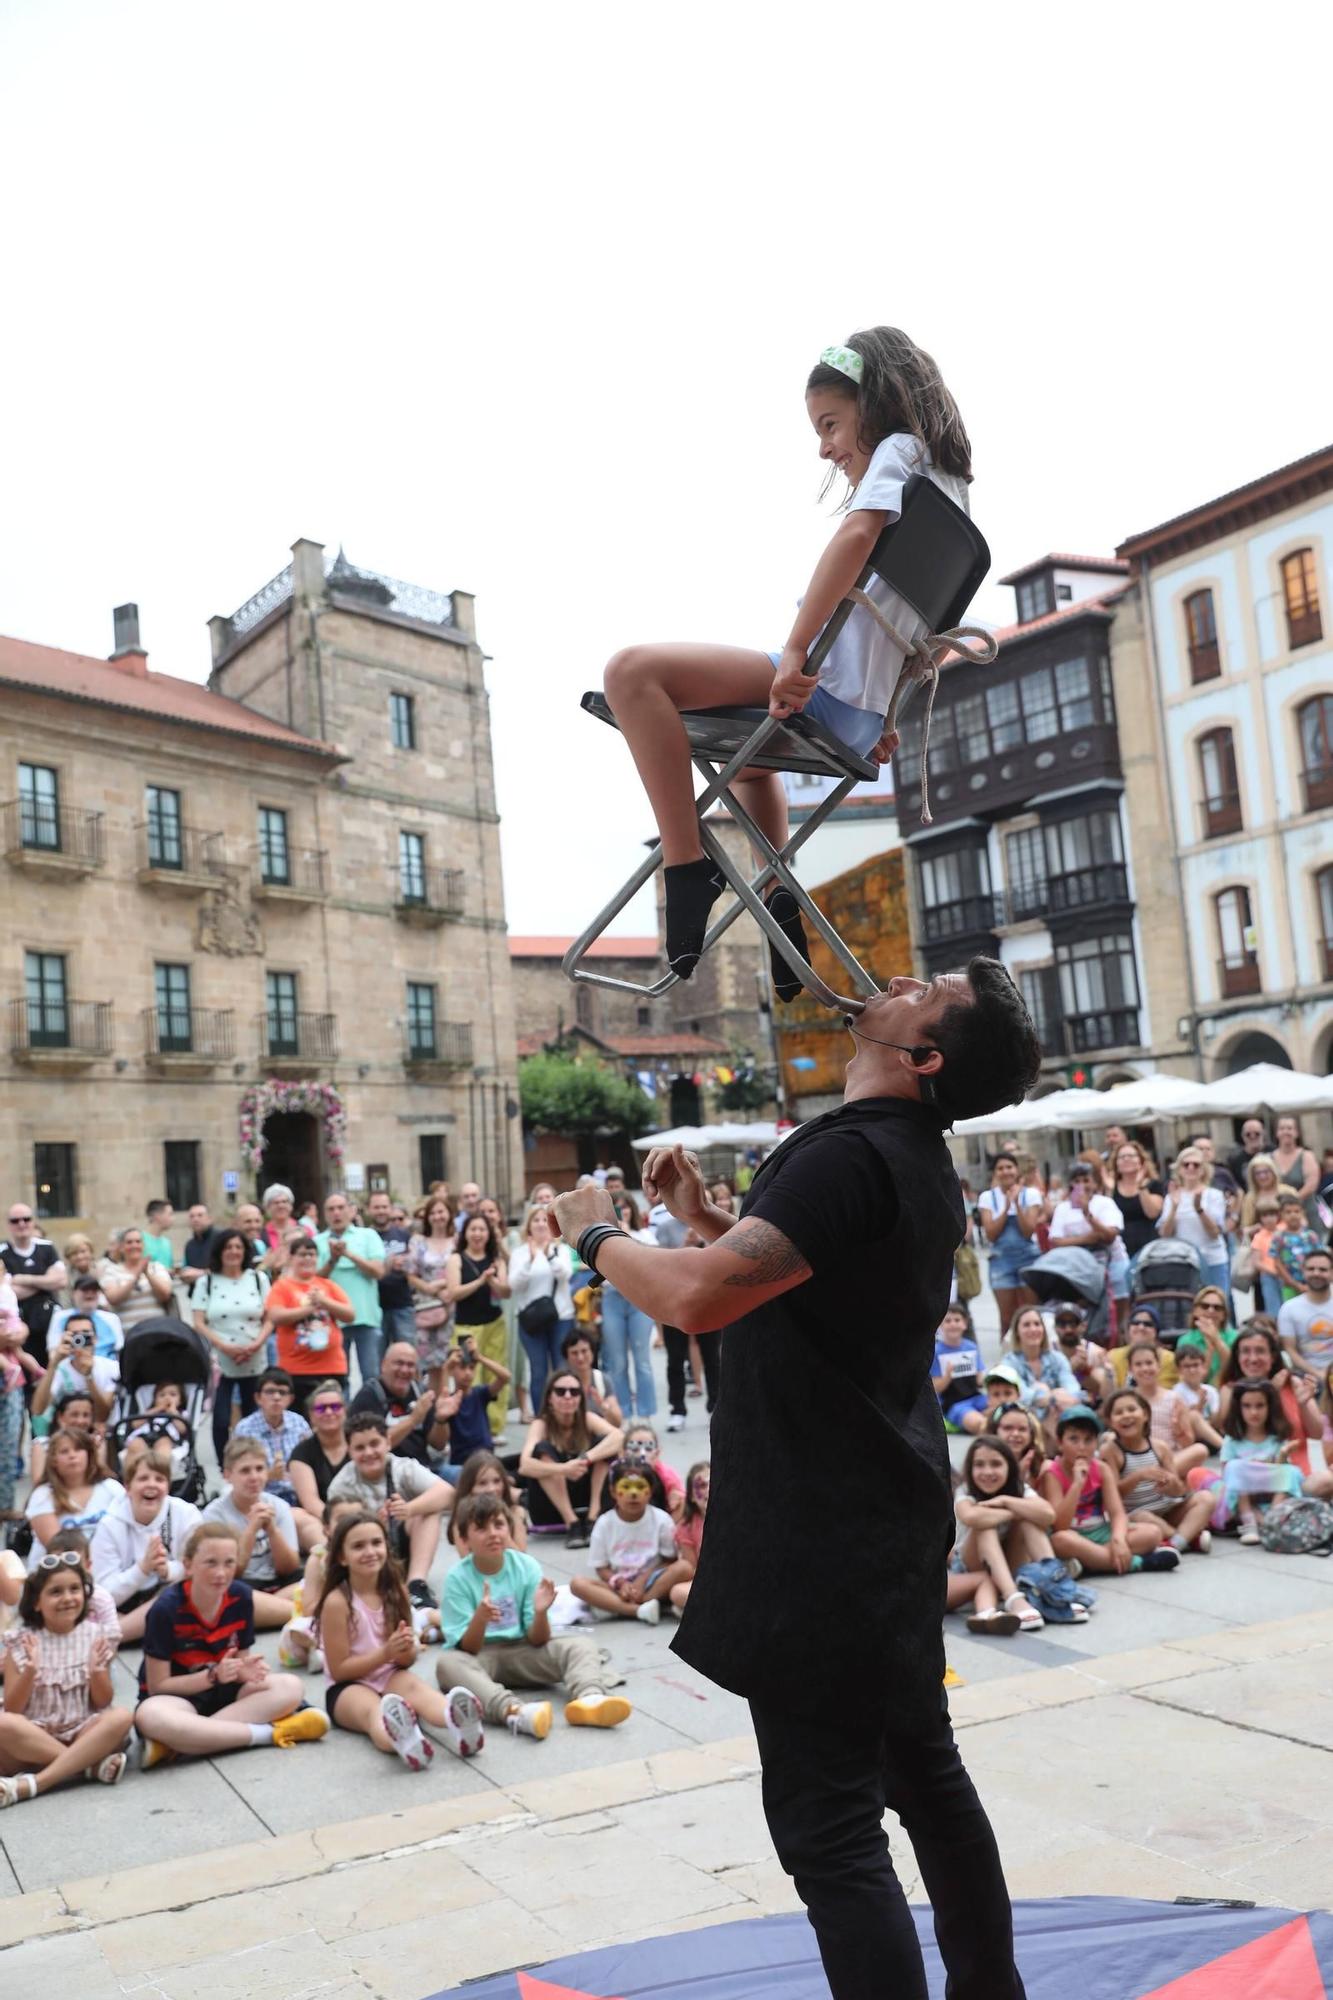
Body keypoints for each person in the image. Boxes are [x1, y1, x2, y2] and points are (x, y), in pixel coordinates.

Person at [549, 956, 1041, 1999]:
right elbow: (805, 1290)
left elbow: (695, 1302)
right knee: (926, 1779)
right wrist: (703, 1221)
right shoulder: (905, 1155)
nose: (901, 975)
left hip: (824, 1532)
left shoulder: (859, 1152)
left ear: (924, 1053)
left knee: (829, 1832)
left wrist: (597, 1230)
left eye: (928, 986)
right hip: (878, 1511)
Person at [601, 328, 973, 1003]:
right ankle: (777, 896)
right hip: (854, 713)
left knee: (631, 674)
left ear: (879, 401)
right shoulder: (949, 491)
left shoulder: (900, 449)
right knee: (753, 760)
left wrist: (797, 652)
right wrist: (882, 710)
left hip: (826, 691)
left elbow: (853, 538)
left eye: (831, 424)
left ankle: (686, 869)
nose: (824, 447)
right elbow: (930, 639)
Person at [133, 1522, 327, 1769]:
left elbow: (241, 1662)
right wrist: (212, 1677)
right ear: (188, 1565)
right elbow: (159, 1686)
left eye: (229, 1563)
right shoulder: (165, 1609)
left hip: (225, 1696)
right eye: (211, 1563)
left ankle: (179, 1743)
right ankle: (269, 1734)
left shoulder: (241, 1597)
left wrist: (245, 1671)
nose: (221, 1573)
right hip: (179, 1698)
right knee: (150, 1715)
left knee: (291, 1686)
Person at [437, 1490, 631, 1737]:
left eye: (498, 1525)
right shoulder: (457, 1578)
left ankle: (590, 1698)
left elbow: (538, 1639)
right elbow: (468, 1649)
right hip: (481, 1656)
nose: (493, 1533)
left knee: (580, 1645)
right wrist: (480, 1619)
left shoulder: (525, 1566)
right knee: (447, 1665)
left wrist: (540, 1613)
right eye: (482, 1528)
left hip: (523, 1649)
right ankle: (515, 1711)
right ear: (465, 1539)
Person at [313, 1509, 483, 1765]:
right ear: (342, 1557)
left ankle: (455, 1718)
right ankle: (402, 1739)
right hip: (346, 1687)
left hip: (388, 1672)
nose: (370, 1551)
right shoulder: (337, 1602)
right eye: (358, 1546)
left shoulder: (395, 1591)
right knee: (373, 1711)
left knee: (417, 1689)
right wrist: (386, 1653)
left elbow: (404, 1661)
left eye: (376, 1543)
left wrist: (407, 1650)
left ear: (386, 1547)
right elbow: (338, 1671)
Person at [0, 1553, 133, 1804]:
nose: (67, 1598)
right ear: (37, 1602)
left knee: (122, 1716)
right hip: (34, 1736)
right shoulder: (21, 1641)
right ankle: (87, 1767)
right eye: (55, 1592)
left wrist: (96, 1672)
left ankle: (34, 1783)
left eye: (74, 1589)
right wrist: (30, 1671)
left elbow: (102, 1701)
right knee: (4, 1723)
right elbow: (13, 1709)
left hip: (82, 1729)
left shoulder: (96, 1635)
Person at [326, 1412, 452, 1613]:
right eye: (360, 1447)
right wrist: (374, 1524)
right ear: (349, 1451)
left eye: (375, 1444)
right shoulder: (341, 1486)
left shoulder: (402, 1467)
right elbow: (337, 1533)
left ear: (388, 1443)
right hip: (365, 1552)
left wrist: (408, 1509)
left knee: (428, 1511)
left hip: (402, 1545)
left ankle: (416, 1584)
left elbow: (447, 1493)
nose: (369, 1452)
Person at [1038, 1407, 1178, 1576]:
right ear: (1060, 1443)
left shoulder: (1101, 1469)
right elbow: (1060, 1526)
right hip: (1072, 1534)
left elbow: (1117, 1512)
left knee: (1153, 1533)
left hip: (1100, 1531)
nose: (1081, 1447)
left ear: (1096, 1443)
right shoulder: (1053, 1472)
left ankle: (1089, 1563)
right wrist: (1077, 1485)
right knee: (1060, 1541)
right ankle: (1137, 1563)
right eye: (1073, 1439)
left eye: (1088, 1440)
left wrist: (1118, 1540)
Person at [90, 1444, 202, 1643]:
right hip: (124, 1606)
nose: (152, 1485)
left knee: (185, 1592)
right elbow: (104, 1594)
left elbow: (199, 1568)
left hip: (173, 1599)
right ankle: (117, 1633)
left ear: (168, 1487)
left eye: (159, 1479)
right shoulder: (109, 1525)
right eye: (143, 1479)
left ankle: (109, 1636)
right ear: (127, 1488)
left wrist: (168, 1570)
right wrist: (143, 1569)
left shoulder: (187, 1514)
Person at [952, 1436, 1064, 1633]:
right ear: (970, 1469)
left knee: (1029, 1520)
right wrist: (1015, 1511)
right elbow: (971, 1517)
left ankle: (1055, 1587)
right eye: (979, 1465)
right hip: (972, 1568)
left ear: (1009, 1467)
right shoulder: (965, 1490)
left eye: (995, 1464)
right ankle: (1013, 1598)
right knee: (984, 1524)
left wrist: (1006, 1501)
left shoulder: (1020, 1490)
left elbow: (1048, 1515)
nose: (987, 1472)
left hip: (1010, 1562)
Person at [569, 1459, 692, 1625]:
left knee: (684, 1568)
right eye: (625, 1487)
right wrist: (620, 1584)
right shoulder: (604, 1523)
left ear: (650, 1491)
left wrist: (642, 1582)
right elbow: (601, 1567)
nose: (633, 1494)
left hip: (652, 1583)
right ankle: (638, 1610)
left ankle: (627, 1605)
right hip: (619, 1587)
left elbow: (669, 1559)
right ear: (613, 1491)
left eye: (640, 1487)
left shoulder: (661, 1520)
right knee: (577, 1584)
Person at [1098, 1388, 1215, 1555]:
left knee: (1206, 1498)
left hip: (1167, 1510)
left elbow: (1179, 1491)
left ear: (1145, 1415)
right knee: (1142, 1516)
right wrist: (1138, 1476)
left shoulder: (1159, 1447)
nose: (1126, 1415)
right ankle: (1187, 1538)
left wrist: (1170, 1484)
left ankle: (1174, 1544)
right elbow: (1113, 1494)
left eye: (1132, 1409)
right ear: (1110, 1422)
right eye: (1118, 1412)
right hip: (1137, 1516)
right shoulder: (1110, 1451)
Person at [192, 1227, 270, 1465]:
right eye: (228, 1247)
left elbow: (270, 1316)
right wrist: (223, 1345)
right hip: (221, 1361)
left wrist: (257, 1343)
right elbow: (198, 1321)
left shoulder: (258, 1279)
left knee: (254, 1416)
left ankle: (255, 1462)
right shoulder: (206, 1282)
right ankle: (225, 1466)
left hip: (254, 1358)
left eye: (238, 1247)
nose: (233, 1252)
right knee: (221, 1419)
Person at [201, 1438, 305, 1617]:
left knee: (314, 1576)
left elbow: (290, 1567)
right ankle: (289, 1610)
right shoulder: (214, 1514)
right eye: (245, 1471)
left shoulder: (278, 1506)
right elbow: (230, 1572)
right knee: (225, 1591)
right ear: (227, 1475)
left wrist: (272, 1530)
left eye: (260, 1469)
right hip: (243, 1585)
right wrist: (251, 1529)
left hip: (279, 1584)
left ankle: (272, 1609)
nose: (254, 1477)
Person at [517, 1372, 623, 1546]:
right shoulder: (541, 1424)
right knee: (542, 1450)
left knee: (604, 1445)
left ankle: (592, 1519)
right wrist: (565, 1469)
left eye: (574, 1392)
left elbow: (619, 1438)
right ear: (549, 1398)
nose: (568, 1396)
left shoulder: (587, 1419)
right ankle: (571, 1523)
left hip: (587, 1499)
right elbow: (524, 1465)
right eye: (560, 1391)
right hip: (550, 1507)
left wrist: (586, 1458)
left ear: (581, 1398)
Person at [261, 1234, 352, 1398]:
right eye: (302, 1254)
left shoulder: (327, 1285)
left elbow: (350, 1315)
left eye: (312, 1254)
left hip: (332, 1367)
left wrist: (324, 1302)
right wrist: (309, 1309)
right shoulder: (282, 1286)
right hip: (296, 1369)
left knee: (330, 1417)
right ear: (291, 1258)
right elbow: (275, 1316)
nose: (307, 1259)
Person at [444, 1213, 512, 1430]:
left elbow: (505, 1292)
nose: (477, 1234)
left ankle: (494, 1426)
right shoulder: (456, 1259)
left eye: (482, 1229)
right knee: (467, 1376)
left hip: (494, 1324)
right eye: (473, 1229)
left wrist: (492, 1281)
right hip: (465, 1326)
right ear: (465, 1233)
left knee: (495, 1372)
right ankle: (469, 1423)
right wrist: (480, 1280)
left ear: (489, 1233)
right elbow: (453, 1293)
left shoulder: (496, 1259)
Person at [315, 1193, 386, 1391]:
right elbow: (314, 1281)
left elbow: (378, 1271)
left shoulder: (368, 1236)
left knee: (371, 1374)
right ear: (325, 1214)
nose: (336, 1213)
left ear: (351, 1210)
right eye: (331, 1209)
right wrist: (333, 1260)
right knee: (338, 1377)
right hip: (332, 1319)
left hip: (366, 1317)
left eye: (341, 1207)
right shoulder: (318, 1241)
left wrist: (348, 1254)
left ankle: (372, 1417)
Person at [508, 1208, 576, 1414]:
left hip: (561, 1317)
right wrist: (530, 1259)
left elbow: (565, 1275)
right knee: (538, 1371)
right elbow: (514, 1284)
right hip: (531, 1320)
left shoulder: (560, 1250)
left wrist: (549, 1255)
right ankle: (540, 1417)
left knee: (561, 1368)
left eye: (544, 1220)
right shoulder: (519, 1253)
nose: (540, 1224)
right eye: (535, 1220)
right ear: (528, 1226)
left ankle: (565, 1413)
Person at [24, 1428, 123, 1568]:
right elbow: (57, 1548)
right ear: (53, 1460)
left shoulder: (112, 1488)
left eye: (78, 1449)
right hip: (60, 1573)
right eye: (64, 1452)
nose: (72, 1456)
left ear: (89, 1454)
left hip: (107, 1568)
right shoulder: (42, 1495)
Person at [1219, 1382, 1304, 1543]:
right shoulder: (1232, 1439)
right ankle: (1249, 1523)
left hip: (1271, 1496)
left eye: (1260, 1406)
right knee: (1234, 1467)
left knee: (1291, 1472)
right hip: (1243, 1497)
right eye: (1247, 1406)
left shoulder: (1277, 1437)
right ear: (1239, 1408)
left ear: (1269, 1407)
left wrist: (1283, 1455)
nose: (1254, 1412)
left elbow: (1281, 1476)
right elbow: (1227, 1475)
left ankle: (1272, 1519)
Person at [348, 1342, 453, 1467]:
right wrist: (413, 1420)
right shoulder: (369, 1396)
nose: (404, 1370)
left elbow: (438, 1445)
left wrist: (441, 1420)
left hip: (424, 1469)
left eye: (410, 1365)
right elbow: (371, 1446)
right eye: (399, 1363)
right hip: (384, 1472)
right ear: (383, 1365)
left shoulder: (420, 1393)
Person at [976, 1153, 1042, 1330]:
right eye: (1000, 1168)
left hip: (1028, 1258)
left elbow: (1028, 1231)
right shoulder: (987, 1198)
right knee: (1006, 1318)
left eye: (1009, 1167)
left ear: (1017, 1170)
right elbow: (991, 1234)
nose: (1005, 1171)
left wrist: (1017, 1205)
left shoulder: (1031, 1194)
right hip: (1001, 1261)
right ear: (995, 1173)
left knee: (1032, 1313)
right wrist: (1006, 1207)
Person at [1, 1203, 66, 1376]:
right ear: (9, 1224)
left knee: (52, 1369)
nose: (21, 1224)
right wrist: (44, 1282)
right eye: (15, 1221)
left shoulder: (46, 1247)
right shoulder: (2, 1252)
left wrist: (23, 1279)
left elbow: (61, 1280)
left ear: (33, 1221)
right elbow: (8, 1291)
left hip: (48, 1320)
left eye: (26, 1219)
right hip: (17, 1324)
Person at [1158, 1147, 1229, 1296]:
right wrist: (1174, 1208)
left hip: (1212, 1260)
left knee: (1219, 1303)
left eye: (1196, 1165)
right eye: (1186, 1164)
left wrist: (1199, 1209)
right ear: (1179, 1169)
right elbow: (1164, 1234)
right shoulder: (1171, 1197)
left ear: (1203, 1170)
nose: (1191, 1168)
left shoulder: (1214, 1195)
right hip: (1184, 1262)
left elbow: (1215, 1233)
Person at [437, 1339, 511, 1479]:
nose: (468, 1373)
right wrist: (447, 1367)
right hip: (463, 1464)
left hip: (487, 1457)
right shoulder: (450, 1400)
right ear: (452, 1371)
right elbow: (443, 1393)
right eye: (462, 1368)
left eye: (471, 1368)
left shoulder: (480, 1393)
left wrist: (480, 1358)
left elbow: (505, 1377)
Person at [405, 1192, 455, 1390]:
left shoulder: (457, 1240)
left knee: (451, 1359)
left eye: (441, 1211)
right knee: (431, 1362)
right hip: (427, 1307)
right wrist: (430, 1288)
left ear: (449, 1214)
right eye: (433, 1213)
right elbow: (410, 1274)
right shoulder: (418, 1242)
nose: (437, 1216)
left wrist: (444, 1286)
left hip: (453, 1305)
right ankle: (434, 1408)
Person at [1005, 1306, 1080, 1426]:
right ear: (1017, 1332)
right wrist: (1050, 1397)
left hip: (1060, 1409)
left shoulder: (1057, 1358)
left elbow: (1072, 1386)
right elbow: (1021, 1395)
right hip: (1024, 1418)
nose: (1033, 1329)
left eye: (1037, 1324)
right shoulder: (1009, 1363)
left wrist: (1056, 1397)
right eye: (1026, 1325)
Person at [288, 1379, 351, 1521]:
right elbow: (311, 1502)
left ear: (345, 1411)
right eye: (321, 1408)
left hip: (361, 1515)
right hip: (321, 1520)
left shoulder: (359, 1443)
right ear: (311, 1416)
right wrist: (340, 1524)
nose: (328, 1412)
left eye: (335, 1407)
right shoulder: (301, 1452)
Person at [447, 1449, 529, 1551]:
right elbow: (467, 1560)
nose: (491, 1489)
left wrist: (503, 1533)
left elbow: (522, 1561)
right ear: (469, 1488)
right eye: (482, 1483)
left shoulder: (516, 1513)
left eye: (497, 1481)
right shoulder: (462, 1518)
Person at [98, 1227, 174, 1334]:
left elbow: (165, 1294)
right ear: (121, 1247)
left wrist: (147, 1273)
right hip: (128, 1335)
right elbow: (113, 1298)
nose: (134, 1245)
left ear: (143, 1245)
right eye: (129, 1242)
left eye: (138, 1241)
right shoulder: (111, 1271)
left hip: (158, 1332)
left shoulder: (156, 1267)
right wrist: (135, 1277)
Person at [367, 1190, 416, 1348]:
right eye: (376, 1207)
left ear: (390, 1209)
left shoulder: (404, 1235)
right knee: (378, 1361)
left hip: (402, 1304)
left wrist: (406, 1263)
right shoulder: (363, 1237)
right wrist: (388, 1264)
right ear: (369, 1209)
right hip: (374, 1307)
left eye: (384, 1207)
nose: (381, 1211)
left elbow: (416, 1265)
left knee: (408, 1356)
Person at [1111, 1141, 1165, 1284]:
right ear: (1116, 1163)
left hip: (1149, 1248)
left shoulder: (1154, 1185)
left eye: (1131, 1155)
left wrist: (1141, 1187)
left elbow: (1152, 1213)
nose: (1126, 1159)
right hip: (1121, 1251)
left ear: (1141, 1161)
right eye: (1121, 1157)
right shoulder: (1111, 1189)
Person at [1046, 1163, 1123, 1264]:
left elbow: (1110, 1236)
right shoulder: (1062, 1208)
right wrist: (1086, 1239)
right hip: (1075, 1264)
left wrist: (1087, 1214)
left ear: (1094, 1184)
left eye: (1086, 1181)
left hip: (1111, 1261)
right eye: (1077, 1181)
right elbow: (1056, 1241)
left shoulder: (1105, 1203)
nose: (1081, 1185)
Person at [1278, 1248, 1333, 1381]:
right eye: (1311, 1269)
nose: (1316, 1273)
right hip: (1307, 1377)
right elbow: (1290, 1350)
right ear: (1303, 1272)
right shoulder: (1289, 1308)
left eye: (1323, 1270)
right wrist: (1319, 1375)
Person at [931, 1302, 987, 1434]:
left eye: (957, 1320)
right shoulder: (937, 1352)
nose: (953, 1324)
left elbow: (980, 1380)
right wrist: (947, 1376)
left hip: (976, 1397)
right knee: (978, 1423)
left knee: (1001, 1406)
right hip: (954, 1403)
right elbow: (935, 1388)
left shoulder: (971, 1347)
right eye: (948, 1321)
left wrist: (986, 1377)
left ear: (965, 1324)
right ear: (940, 1325)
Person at [560, 1327, 624, 1428]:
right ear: (566, 1357)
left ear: (592, 1353)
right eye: (574, 1353)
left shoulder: (602, 1380)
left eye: (584, 1351)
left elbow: (618, 1422)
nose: (580, 1357)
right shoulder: (560, 1384)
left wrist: (604, 1407)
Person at [1272, 1116, 1322, 1234]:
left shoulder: (1306, 1155)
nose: (1286, 1132)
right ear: (1277, 1133)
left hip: (1306, 1210)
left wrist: (1291, 1203)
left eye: (1290, 1128)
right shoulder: (1269, 1158)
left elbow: (1311, 1185)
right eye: (1282, 1128)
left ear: (1297, 1133)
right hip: (1278, 1214)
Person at [1051, 1306, 1109, 1408]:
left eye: (1073, 1323)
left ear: (1083, 1326)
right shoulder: (1048, 1352)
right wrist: (1069, 1369)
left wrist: (1083, 1372)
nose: (1068, 1329)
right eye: (1062, 1324)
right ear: (1055, 1328)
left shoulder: (1096, 1352)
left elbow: (1105, 1392)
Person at [671, 1460, 709, 1610]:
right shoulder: (685, 1527)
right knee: (677, 1593)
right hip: (708, 1582)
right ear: (692, 1496)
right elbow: (691, 1568)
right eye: (702, 1485)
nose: (709, 1489)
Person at [1272, 1195, 1322, 1296]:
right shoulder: (1279, 1238)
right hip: (1289, 1286)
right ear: (1281, 1214)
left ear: (1303, 1213)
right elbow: (1277, 1263)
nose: (1293, 1215)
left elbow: (1320, 1258)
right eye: (1288, 1212)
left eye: (1296, 1211)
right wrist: (1295, 1284)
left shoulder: (1311, 1236)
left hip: (1312, 1284)